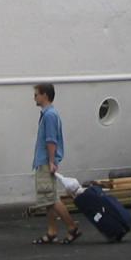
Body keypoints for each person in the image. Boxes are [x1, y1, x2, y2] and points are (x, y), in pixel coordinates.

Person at [32, 82, 81, 244]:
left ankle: (72, 227)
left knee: (51, 198)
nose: (34, 98)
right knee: (48, 199)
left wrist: (52, 161)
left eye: (36, 94)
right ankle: (52, 231)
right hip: (44, 161)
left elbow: (51, 140)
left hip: (46, 161)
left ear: (45, 95)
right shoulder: (49, 114)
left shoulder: (50, 115)